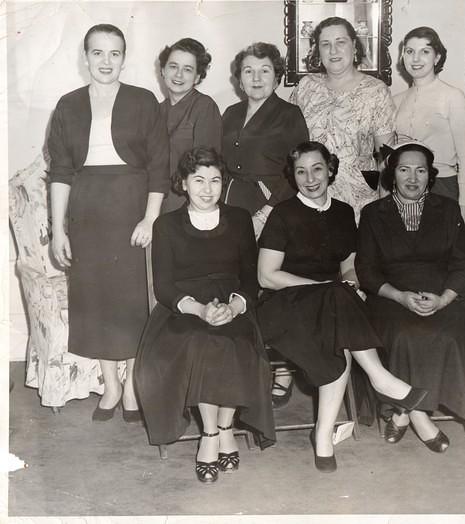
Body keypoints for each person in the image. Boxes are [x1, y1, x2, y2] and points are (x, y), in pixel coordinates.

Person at [257, 141, 427, 472]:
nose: (310, 178)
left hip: (331, 305)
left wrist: (347, 283)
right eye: (301, 171)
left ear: (331, 170)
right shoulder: (283, 213)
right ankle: (380, 378)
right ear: (292, 176)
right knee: (337, 302)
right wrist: (327, 288)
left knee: (339, 318)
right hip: (284, 305)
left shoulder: (344, 213)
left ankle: (323, 434)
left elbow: (350, 265)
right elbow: (267, 277)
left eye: (317, 169)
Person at [48, 24, 169, 422]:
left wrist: (150, 218)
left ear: (124, 57)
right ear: (85, 57)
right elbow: (61, 172)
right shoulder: (68, 105)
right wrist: (59, 229)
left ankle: (132, 384)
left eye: (114, 53)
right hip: (88, 211)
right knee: (96, 299)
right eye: (97, 53)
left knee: (132, 300)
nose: (105, 61)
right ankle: (110, 385)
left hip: (131, 208)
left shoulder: (143, 100)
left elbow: (159, 168)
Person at [135, 147, 274, 483]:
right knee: (202, 340)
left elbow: (249, 277)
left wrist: (235, 305)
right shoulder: (166, 225)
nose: (207, 189)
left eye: (215, 180)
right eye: (198, 180)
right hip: (182, 308)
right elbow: (164, 287)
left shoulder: (240, 219)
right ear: (183, 184)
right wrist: (199, 309)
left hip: (231, 302)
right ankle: (211, 434)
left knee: (236, 341)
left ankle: (225, 428)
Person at [356, 142, 465, 452]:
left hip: (443, 293)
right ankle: (416, 416)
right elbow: (368, 271)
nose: (412, 178)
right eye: (404, 170)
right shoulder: (373, 213)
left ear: (431, 175)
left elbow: (463, 263)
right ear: (392, 175)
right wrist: (401, 298)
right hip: (392, 296)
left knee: (452, 329)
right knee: (405, 333)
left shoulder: (448, 209)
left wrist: (443, 298)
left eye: (420, 170)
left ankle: (403, 412)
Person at [222, 42, 309, 408]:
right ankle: (243, 366)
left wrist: (266, 212)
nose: (256, 78)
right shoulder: (229, 112)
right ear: (239, 78)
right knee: (236, 281)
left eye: (264, 71)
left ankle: (284, 369)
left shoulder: (289, 115)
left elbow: (298, 170)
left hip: (274, 207)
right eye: (248, 71)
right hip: (231, 205)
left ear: (277, 75)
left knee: (271, 286)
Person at [290, 17, 394, 220]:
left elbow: (386, 158)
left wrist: (385, 207)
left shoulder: (376, 91)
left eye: (341, 42)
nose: (333, 50)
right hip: (311, 194)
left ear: (354, 46)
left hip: (359, 200)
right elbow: (291, 145)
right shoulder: (305, 87)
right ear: (317, 51)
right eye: (325, 44)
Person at [394, 27, 465, 220]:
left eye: (425, 52)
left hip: (442, 186)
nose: (416, 59)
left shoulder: (452, 97)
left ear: (437, 58)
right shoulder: (396, 100)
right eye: (410, 51)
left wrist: (464, 205)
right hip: (405, 186)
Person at [158, 38, 222, 212]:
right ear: (163, 70)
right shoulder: (156, 110)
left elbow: (206, 168)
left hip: (186, 203)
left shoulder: (204, 107)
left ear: (198, 77)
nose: (178, 75)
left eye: (187, 69)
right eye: (173, 66)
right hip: (155, 200)